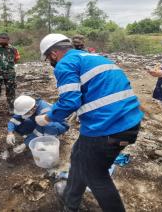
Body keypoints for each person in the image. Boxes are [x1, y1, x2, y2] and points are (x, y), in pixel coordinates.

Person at [39, 34, 143, 212]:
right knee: (79, 155)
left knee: (95, 175)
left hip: (106, 128)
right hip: (127, 122)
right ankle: (71, 202)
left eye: (48, 58)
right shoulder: (92, 57)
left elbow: (70, 102)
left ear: (54, 54)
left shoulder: (65, 64)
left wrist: (47, 117)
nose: (50, 62)